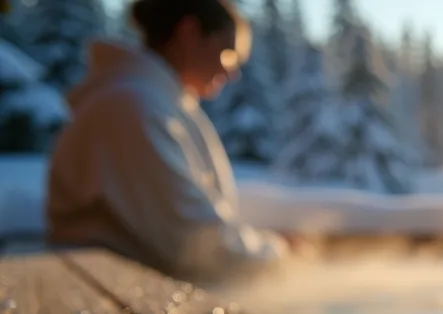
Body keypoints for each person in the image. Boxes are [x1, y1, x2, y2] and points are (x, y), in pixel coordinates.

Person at [45, 0, 292, 282]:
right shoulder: (133, 107)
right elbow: (196, 242)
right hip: (115, 297)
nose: (231, 73)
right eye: (227, 54)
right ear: (189, 33)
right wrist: (278, 255)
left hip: (124, 289)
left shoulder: (152, 101)